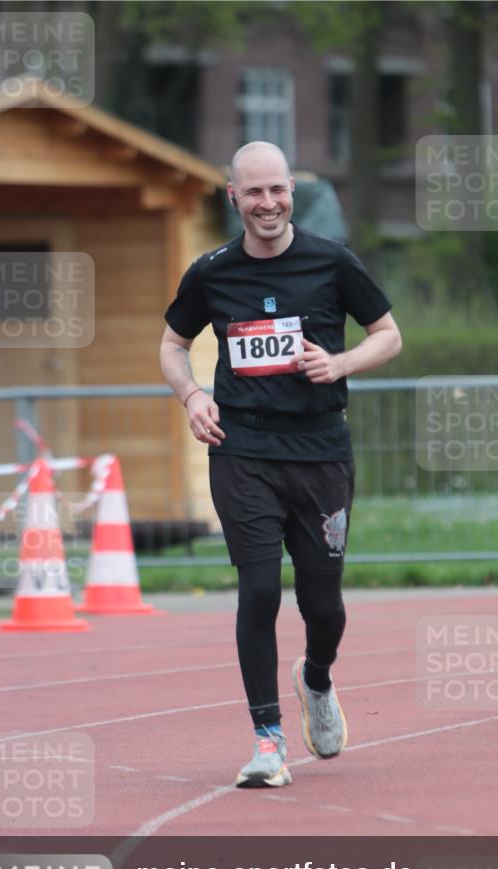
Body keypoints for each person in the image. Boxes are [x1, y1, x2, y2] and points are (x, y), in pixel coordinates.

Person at [160, 141, 401, 789]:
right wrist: (191, 396)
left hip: (320, 451)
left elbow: (388, 334)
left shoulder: (330, 260)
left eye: (277, 190)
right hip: (242, 451)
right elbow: (172, 343)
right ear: (232, 198)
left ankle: (315, 679)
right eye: (254, 193)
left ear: (291, 191)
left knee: (323, 606)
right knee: (259, 590)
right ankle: (267, 742)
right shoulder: (211, 272)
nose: (267, 204)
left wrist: (339, 363)